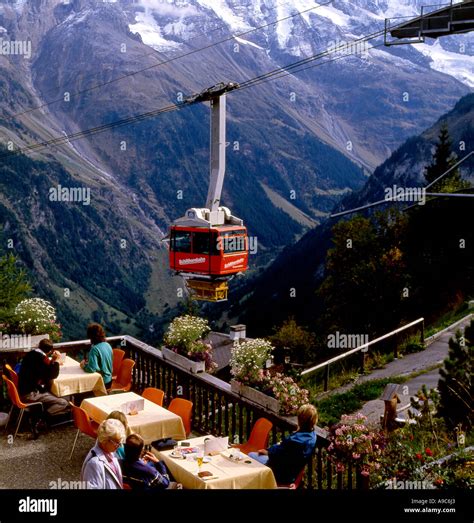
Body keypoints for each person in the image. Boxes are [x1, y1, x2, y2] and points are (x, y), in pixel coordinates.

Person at [249, 404, 318, 485]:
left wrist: (268, 452)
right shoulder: (313, 436)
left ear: (300, 419)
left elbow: (277, 453)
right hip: (292, 475)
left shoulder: (294, 440)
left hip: (277, 473)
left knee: (250, 455)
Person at [18, 338, 70, 425]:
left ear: (39, 346)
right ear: (49, 351)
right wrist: (56, 361)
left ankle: (41, 414)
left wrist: (53, 361)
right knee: (63, 402)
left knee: (52, 392)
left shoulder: (31, 354)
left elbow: (43, 370)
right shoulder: (40, 359)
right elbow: (52, 375)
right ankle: (39, 418)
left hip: (23, 390)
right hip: (30, 394)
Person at [81, 419, 125, 489]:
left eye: (120, 442)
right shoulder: (94, 464)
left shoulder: (111, 452)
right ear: (105, 440)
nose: (119, 446)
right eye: (116, 442)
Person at [80, 323, 113, 389]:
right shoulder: (107, 345)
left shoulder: (94, 349)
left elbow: (92, 369)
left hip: (100, 381)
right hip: (109, 380)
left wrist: (83, 366)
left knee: (80, 391)